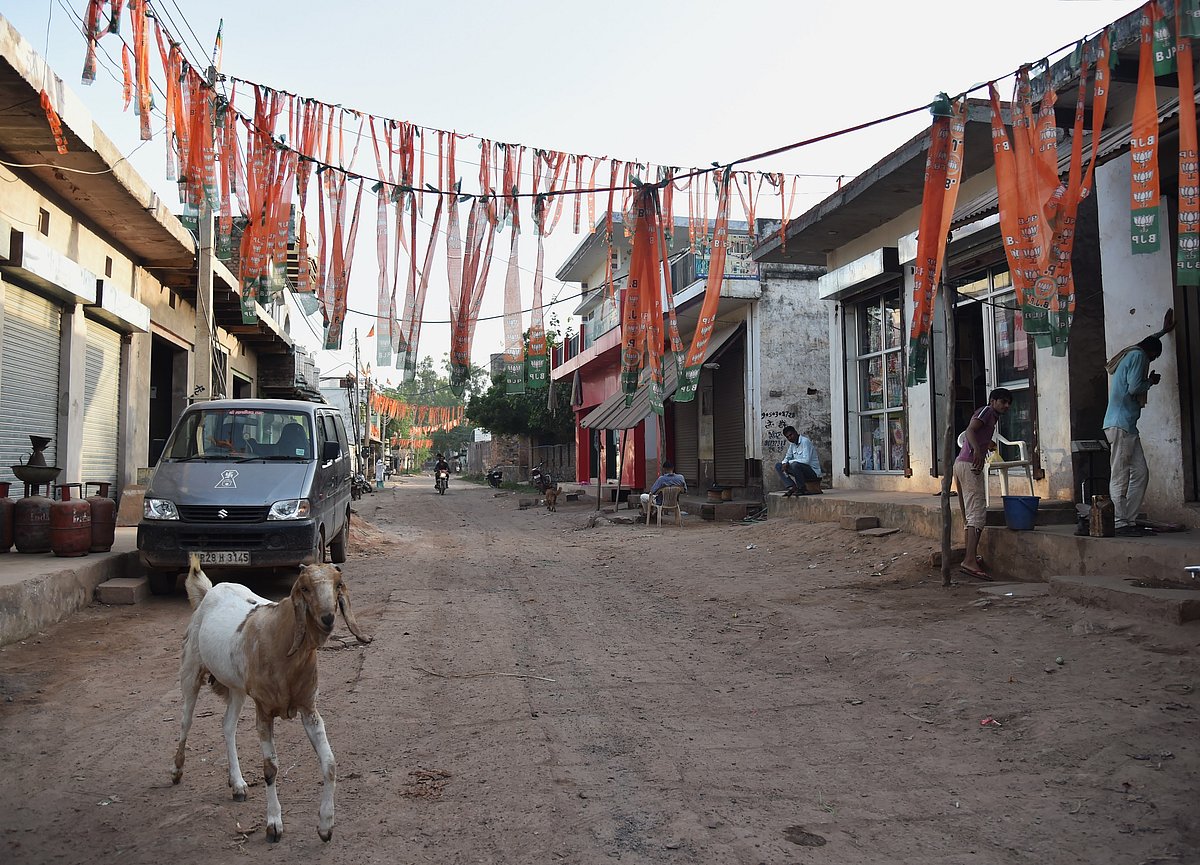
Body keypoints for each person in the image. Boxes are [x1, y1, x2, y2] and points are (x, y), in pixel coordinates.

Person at [1103, 309, 1175, 537]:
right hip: (1120, 425)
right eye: (1154, 357)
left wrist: (1163, 331)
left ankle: (1128, 518)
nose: (1152, 361)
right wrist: (1150, 382)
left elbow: (1147, 343)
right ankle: (1118, 521)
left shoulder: (1135, 352)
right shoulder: (1139, 357)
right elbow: (1135, 388)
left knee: (1141, 473)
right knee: (1120, 475)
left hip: (1127, 426)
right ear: (1151, 354)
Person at [954, 388, 1013, 580]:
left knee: (969, 515)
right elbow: (970, 430)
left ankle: (970, 557)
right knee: (977, 515)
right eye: (1003, 401)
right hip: (969, 464)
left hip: (963, 464)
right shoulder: (986, 411)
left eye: (1008, 403)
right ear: (993, 400)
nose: (1006, 406)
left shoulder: (991, 417)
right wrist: (978, 451)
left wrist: (985, 445)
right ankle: (969, 560)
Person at [774, 425, 822, 496]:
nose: (790, 438)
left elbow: (806, 461)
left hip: (812, 472)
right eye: (787, 437)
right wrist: (784, 463)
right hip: (799, 471)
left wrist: (789, 462)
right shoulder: (792, 445)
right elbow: (788, 456)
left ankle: (802, 488)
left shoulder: (805, 441)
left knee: (795, 464)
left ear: (795, 432)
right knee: (779, 466)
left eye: (791, 435)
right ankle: (792, 486)